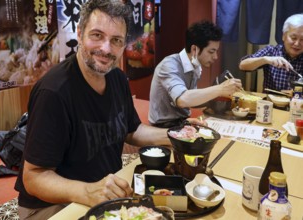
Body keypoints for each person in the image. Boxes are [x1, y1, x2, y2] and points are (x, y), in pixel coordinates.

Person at [14, 0, 173, 219]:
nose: (106, 49)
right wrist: (88, 191)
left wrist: (175, 135)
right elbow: (33, 178)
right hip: (50, 207)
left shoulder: (117, 78)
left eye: (116, 40)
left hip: (104, 195)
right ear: (80, 34)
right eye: (97, 35)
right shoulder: (54, 92)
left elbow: (132, 130)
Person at [148, 20, 242, 128]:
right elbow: (183, 99)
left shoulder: (194, 64)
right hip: (163, 126)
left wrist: (221, 95)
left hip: (183, 121)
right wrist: (220, 89)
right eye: (211, 52)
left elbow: (192, 100)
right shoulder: (169, 65)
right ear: (194, 49)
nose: (215, 57)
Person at [239, 13, 303, 92]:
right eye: (293, 38)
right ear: (284, 36)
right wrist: (265, 60)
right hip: (269, 102)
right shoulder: (272, 51)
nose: (297, 43)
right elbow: (243, 65)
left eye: (302, 40)